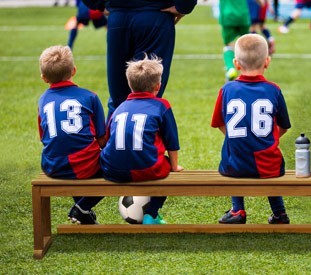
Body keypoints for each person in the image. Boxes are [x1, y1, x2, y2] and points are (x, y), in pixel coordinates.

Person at [211, 34, 291, 224]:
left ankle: (237, 210)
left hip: (235, 165)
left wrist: (236, 138)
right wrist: (267, 141)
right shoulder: (274, 90)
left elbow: (219, 123)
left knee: (232, 153)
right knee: (272, 160)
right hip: (268, 165)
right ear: (267, 61)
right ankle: (280, 213)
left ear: (236, 64)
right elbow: (284, 126)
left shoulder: (227, 89)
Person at [100, 55, 183, 225]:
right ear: (158, 86)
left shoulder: (119, 107)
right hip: (146, 169)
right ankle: (151, 214)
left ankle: (82, 206)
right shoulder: (162, 105)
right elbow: (172, 141)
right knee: (165, 168)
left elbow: (108, 138)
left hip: (112, 169)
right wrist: (174, 166)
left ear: (130, 85)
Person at [81, 0, 197, 118]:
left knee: (118, 97)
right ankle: (143, 133)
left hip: (120, 15)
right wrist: (184, 6)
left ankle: (116, 134)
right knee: (148, 93)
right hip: (155, 15)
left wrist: (100, 4)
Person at [37, 45, 106, 224]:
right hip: (83, 166)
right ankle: (82, 207)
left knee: (75, 156)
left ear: (44, 78)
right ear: (74, 71)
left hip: (52, 166)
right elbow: (102, 139)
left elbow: (43, 137)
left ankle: (83, 212)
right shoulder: (89, 97)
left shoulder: (43, 100)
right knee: (116, 166)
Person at [218, 0, 251, 81]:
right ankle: (250, 72)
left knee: (228, 45)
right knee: (247, 45)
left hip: (228, 16)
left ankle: (230, 68)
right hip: (243, 15)